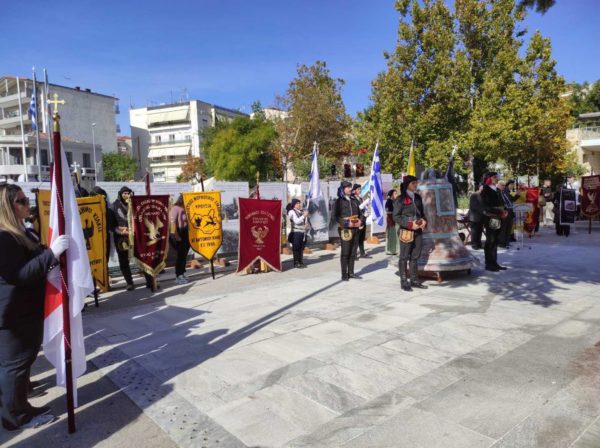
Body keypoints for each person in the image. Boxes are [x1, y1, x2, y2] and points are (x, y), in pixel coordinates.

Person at [0, 183, 68, 430]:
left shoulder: (20, 232)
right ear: (7, 207)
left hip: (25, 311)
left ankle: (20, 406)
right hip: (14, 314)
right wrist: (51, 254)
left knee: (20, 365)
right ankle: (14, 417)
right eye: (21, 201)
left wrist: (48, 254)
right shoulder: (4, 237)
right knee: (14, 367)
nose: (27, 204)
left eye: (26, 199)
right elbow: (19, 274)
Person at [393, 175, 428, 291]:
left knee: (415, 257)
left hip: (418, 231)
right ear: (407, 185)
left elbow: (421, 213)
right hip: (406, 231)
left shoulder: (417, 197)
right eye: (413, 183)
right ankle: (404, 281)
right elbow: (396, 216)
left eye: (416, 183)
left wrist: (424, 221)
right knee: (404, 257)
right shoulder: (400, 199)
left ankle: (414, 280)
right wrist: (409, 224)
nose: (416, 185)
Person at [333, 181, 364, 281]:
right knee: (346, 252)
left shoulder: (354, 200)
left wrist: (361, 221)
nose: (350, 189)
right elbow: (335, 216)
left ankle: (351, 272)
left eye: (350, 187)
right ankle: (344, 274)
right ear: (343, 189)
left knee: (353, 252)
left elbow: (361, 213)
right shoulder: (339, 201)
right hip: (345, 229)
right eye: (348, 187)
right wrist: (346, 223)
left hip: (355, 229)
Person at [481, 172, 508, 272]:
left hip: (498, 217)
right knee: (490, 240)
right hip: (491, 217)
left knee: (496, 240)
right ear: (489, 178)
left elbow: (501, 203)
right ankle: (489, 264)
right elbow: (485, 206)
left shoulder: (497, 189)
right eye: (494, 177)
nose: (497, 179)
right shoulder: (485, 189)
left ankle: (494, 263)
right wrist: (497, 210)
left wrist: (504, 210)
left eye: (497, 177)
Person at [112, 186, 135, 291]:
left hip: (134, 236)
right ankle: (129, 282)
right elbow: (111, 224)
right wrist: (120, 230)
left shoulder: (134, 204)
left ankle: (150, 280)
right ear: (120, 194)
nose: (126, 195)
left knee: (142, 257)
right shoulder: (114, 206)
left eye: (128, 193)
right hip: (121, 237)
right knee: (124, 261)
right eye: (124, 193)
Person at [170, 195, 191, 284]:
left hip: (185, 233)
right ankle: (178, 276)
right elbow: (172, 223)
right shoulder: (175, 208)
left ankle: (182, 273)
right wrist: (176, 236)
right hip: (178, 232)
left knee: (184, 255)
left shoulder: (185, 208)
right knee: (180, 255)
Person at [287, 199, 309, 268]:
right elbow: (296, 221)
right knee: (296, 247)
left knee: (301, 247)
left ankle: (300, 261)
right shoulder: (291, 211)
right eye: (297, 203)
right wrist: (304, 216)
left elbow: (304, 221)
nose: (299, 204)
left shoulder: (301, 212)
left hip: (302, 232)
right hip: (296, 232)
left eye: (299, 203)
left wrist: (306, 224)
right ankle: (296, 262)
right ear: (294, 205)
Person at [352, 184, 370, 259]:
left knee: (361, 238)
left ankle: (362, 253)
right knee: (356, 238)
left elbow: (363, 208)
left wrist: (366, 211)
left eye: (360, 189)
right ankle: (354, 254)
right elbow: (356, 209)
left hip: (363, 219)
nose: (360, 191)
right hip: (357, 220)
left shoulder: (360, 198)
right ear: (354, 190)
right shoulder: (353, 199)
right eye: (358, 189)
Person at [497, 180, 514, 249]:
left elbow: (510, 200)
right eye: (502, 185)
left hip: (509, 211)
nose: (503, 186)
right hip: (503, 211)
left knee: (509, 227)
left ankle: (507, 242)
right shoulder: (497, 192)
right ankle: (502, 243)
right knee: (503, 228)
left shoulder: (504, 192)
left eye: (504, 185)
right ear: (498, 185)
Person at [468, 185, 484, 250]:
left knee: (480, 231)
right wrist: (483, 211)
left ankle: (479, 244)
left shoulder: (482, 196)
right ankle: (474, 244)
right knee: (474, 231)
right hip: (474, 216)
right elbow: (474, 206)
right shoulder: (474, 195)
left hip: (481, 216)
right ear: (480, 189)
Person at [385, 189, 399, 255]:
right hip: (391, 221)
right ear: (391, 195)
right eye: (395, 193)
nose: (397, 195)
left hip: (396, 220)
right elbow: (388, 211)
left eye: (396, 193)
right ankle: (390, 250)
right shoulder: (389, 202)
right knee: (392, 236)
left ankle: (395, 250)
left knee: (396, 236)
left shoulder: (395, 201)